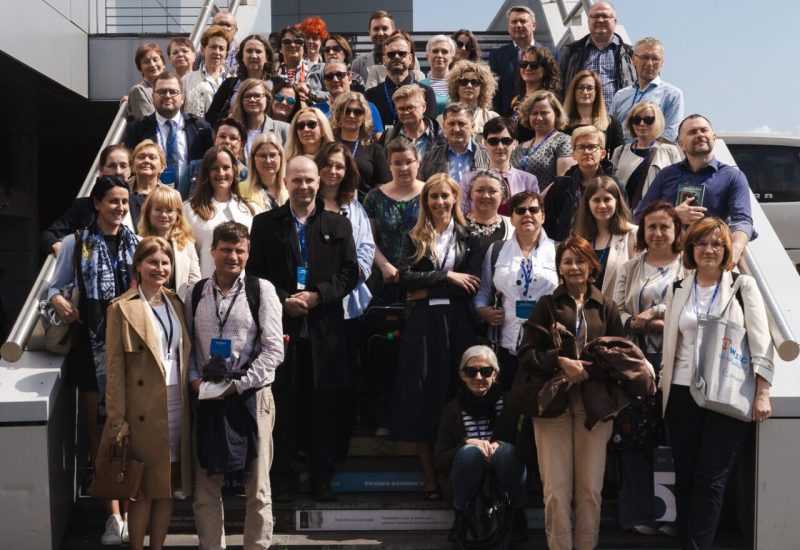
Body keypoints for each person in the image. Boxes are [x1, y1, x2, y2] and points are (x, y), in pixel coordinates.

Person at [247, 156, 358, 502]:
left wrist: (318, 296)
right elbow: (255, 273)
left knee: (324, 407)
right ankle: (282, 477)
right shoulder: (264, 224)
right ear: (286, 182)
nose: (304, 186)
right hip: (281, 329)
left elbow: (350, 273)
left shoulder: (338, 224)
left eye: (309, 180)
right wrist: (282, 300)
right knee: (284, 405)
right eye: (296, 180)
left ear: (319, 182)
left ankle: (322, 477)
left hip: (325, 329)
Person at [660, 217, 773, 549]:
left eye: (716, 244)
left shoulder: (742, 286)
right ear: (690, 249)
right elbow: (671, 342)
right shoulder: (678, 288)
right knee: (684, 478)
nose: (709, 250)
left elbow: (761, 341)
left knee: (710, 479)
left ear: (726, 250)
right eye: (701, 243)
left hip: (726, 393)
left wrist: (763, 391)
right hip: (681, 392)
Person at [515, 236, 626, 550]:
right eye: (567, 261)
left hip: (595, 405)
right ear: (559, 268)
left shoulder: (607, 307)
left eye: (580, 260)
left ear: (592, 265)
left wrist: (588, 369)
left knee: (590, 489)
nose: (574, 267)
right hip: (552, 404)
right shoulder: (546, 305)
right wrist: (559, 361)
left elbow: (621, 359)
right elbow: (526, 354)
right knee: (556, 489)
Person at [46, 176, 139, 546]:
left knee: (130, 435)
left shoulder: (138, 244)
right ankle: (112, 517)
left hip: (131, 351)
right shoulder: (76, 243)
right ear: (97, 203)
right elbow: (53, 287)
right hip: (91, 350)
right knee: (100, 434)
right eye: (113, 201)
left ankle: (130, 514)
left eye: (125, 202)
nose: (120, 208)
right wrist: (57, 300)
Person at [185, 221, 285, 550]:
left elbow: (274, 351)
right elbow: (188, 348)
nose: (233, 256)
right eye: (226, 249)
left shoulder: (262, 290)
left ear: (248, 253)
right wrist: (194, 380)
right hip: (208, 396)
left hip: (252, 396)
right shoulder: (195, 292)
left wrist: (238, 385)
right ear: (212, 251)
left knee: (258, 488)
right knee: (205, 488)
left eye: (240, 250)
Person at [392, 173, 480, 501]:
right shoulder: (413, 236)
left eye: (445, 195)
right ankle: (429, 477)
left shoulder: (469, 235)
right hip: (424, 325)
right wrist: (447, 276)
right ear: (425, 201)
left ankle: (457, 474)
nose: (440, 202)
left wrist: (428, 289)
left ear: (455, 197)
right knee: (422, 396)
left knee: (457, 393)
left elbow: (472, 284)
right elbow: (404, 279)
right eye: (433, 196)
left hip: (458, 323)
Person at [100, 236, 192, 550]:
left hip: (177, 404)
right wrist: (117, 422)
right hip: (143, 409)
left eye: (165, 262)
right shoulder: (121, 308)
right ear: (138, 265)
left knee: (166, 487)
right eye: (152, 262)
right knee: (142, 489)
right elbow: (114, 371)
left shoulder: (176, 303)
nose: (160, 268)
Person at [612, 200, 685, 535]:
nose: (657, 233)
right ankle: (639, 513)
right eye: (651, 227)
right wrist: (639, 323)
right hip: (636, 364)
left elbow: (690, 310)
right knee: (634, 438)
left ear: (676, 230)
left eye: (664, 227)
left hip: (676, 363)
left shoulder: (688, 266)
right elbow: (617, 313)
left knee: (673, 438)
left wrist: (654, 315)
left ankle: (671, 516)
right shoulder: (630, 267)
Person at [434, 345, 528, 542]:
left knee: (507, 452)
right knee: (470, 453)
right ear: (462, 375)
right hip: (466, 474)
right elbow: (440, 461)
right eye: (471, 371)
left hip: (503, 472)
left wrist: (501, 444)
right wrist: (466, 444)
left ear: (495, 374)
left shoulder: (511, 403)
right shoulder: (452, 410)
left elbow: (529, 450)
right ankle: (461, 516)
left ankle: (517, 512)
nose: (478, 377)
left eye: (485, 371)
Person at [634, 114, 755, 265]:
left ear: (714, 138)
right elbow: (640, 215)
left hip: (708, 260)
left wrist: (736, 249)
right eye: (692, 132)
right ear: (681, 144)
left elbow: (742, 221)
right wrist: (672, 215)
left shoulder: (733, 177)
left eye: (704, 130)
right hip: (667, 260)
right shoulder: (666, 174)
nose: (700, 135)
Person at [474, 191, 558, 389]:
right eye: (520, 210)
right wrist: (482, 310)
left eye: (533, 210)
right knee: (510, 398)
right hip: (507, 341)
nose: (527, 214)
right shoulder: (496, 250)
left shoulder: (558, 250)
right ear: (511, 218)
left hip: (546, 343)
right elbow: (484, 289)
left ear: (543, 216)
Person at [124, 71, 214, 187]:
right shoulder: (137, 129)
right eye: (161, 92)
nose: (167, 96)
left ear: (182, 98)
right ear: (153, 97)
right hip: (151, 195)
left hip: (191, 195)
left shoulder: (201, 128)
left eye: (173, 92)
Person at [363, 137, 425, 304]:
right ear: (389, 165)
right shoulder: (374, 197)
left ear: (418, 162)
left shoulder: (430, 193)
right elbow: (368, 239)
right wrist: (384, 265)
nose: (403, 168)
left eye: (409, 162)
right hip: (385, 276)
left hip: (421, 277)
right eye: (397, 163)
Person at [40, 144, 132, 255]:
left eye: (123, 166)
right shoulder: (84, 206)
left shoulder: (141, 205)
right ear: (101, 170)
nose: (118, 171)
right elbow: (48, 236)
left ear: (130, 170)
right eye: (112, 165)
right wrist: (60, 247)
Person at [182, 146, 255, 277]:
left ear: (234, 170)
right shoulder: (189, 209)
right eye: (215, 168)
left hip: (243, 286)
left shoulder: (250, 209)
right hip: (204, 284)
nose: (221, 173)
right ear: (207, 172)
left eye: (226, 167)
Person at [542, 125, 616, 241]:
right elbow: (548, 223)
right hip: (569, 245)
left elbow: (621, 219)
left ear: (602, 153)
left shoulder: (614, 185)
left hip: (605, 244)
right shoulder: (561, 186)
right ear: (574, 155)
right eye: (581, 147)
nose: (586, 152)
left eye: (592, 147)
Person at [558, 1, 635, 109]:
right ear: (588, 21)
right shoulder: (571, 52)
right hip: (580, 117)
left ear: (615, 21)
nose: (600, 20)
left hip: (618, 117)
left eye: (605, 16)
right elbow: (558, 87)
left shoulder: (629, 53)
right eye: (595, 16)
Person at [573, 176, 638, 300]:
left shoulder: (633, 235)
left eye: (607, 199)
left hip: (618, 309)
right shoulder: (579, 239)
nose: (602, 205)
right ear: (588, 203)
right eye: (596, 200)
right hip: (585, 309)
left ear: (617, 201)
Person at [610, 37, 684, 143]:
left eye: (655, 58)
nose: (649, 63)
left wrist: (643, 151)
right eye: (644, 57)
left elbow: (670, 134)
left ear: (662, 62)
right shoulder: (620, 96)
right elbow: (611, 131)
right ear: (633, 60)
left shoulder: (672, 95)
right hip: (622, 153)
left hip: (656, 153)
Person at [611, 101, 683, 209]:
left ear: (657, 121)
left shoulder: (670, 151)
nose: (642, 124)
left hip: (657, 213)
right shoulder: (620, 151)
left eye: (648, 120)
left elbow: (679, 185)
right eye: (636, 120)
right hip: (624, 213)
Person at [460, 116, 539, 215]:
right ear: (485, 144)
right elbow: (462, 216)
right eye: (493, 141)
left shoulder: (529, 181)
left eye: (506, 141)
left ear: (514, 144)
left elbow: (534, 215)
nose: (500, 146)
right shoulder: (468, 180)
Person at [364, 31, 438, 128]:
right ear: (384, 60)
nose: (396, 57)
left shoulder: (426, 93)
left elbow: (430, 128)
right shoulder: (371, 95)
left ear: (410, 59)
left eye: (402, 53)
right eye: (391, 54)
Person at [137, 187, 201, 298]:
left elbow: (195, 280)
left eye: (169, 210)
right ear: (148, 213)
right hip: (145, 304)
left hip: (179, 305)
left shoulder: (187, 244)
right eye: (158, 209)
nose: (164, 215)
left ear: (177, 214)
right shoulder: (138, 242)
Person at [490, 5, 552, 117]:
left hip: (542, 117)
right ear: (508, 28)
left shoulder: (551, 53)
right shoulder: (497, 56)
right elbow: (495, 94)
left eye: (523, 21)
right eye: (514, 22)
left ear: (534, 25)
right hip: (509, 120)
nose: (518, 25)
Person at [510, 90, 575, 189]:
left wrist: (538, 197)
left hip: (547, 198)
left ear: (556, 114)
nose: (539, 118)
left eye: (544, 113)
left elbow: (563, 181)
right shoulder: (519, 147)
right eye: (534, 113)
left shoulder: (564, 142)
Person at [206, 34, 275, 126]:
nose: (253, 55)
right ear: (242, 56)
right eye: (249, 51)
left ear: (267, 57)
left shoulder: (277, 85)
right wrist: (230, 117)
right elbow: (210, 116)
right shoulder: (230, 84)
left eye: (258, 51)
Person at [329, 91, 391, 194]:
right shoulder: (327, 145)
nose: (351, 115)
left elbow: (383, 185)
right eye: (346, 111)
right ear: (338, 115)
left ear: (364, 117)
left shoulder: (375, 150)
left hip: (364, 203)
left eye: (358, 112)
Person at [178, 117, 249, 200]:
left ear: (242, 144)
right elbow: (179, 201)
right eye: (222, 136)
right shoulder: (195, 168)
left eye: (233, 138)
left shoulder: (246, 175)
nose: (226, 141)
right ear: (215, 139)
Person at [419, 102, 489, 182]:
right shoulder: (430, 158)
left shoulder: (487, 155)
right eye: (451, 124)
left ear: (472, 127)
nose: (456, 129)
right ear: (444, 127)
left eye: (461, 124)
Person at [563, 70, 624, 158]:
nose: (585, 92)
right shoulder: (563, 124)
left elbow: (618, 157)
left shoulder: (612, 124)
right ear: (573, 91)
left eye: (589, 88)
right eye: (580, 88)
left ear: (597, 92)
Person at [315, 60, 384, 136]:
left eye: (339, 75)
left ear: (350, 78)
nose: (335, 80)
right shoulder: (316, 110)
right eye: (329, 77)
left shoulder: (368, 107)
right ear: (324, 82)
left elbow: (379, 138)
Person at [229, 78, 291, 161]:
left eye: (257, 96)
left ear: (267, 99)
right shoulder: (232, 129)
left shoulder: (285, 129)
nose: (252, 99)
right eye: (247, 96)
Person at [511, 45, 562, 140]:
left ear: (545, 70)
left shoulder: (548, 101)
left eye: (534, 65)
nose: (528, 68)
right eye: (524, 64)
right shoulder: (517, 99)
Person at [378, 84, 442, 159]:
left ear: (423, 107)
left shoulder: (440, 136)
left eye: (410, 108)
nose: (406, 112)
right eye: (401, 109)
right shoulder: (388, 138)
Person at [182, 25, 232, 119]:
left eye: (221, 48)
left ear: (226, 53)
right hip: (197, 128)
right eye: (213, 47)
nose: (217, 52)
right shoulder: (186, 80)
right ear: (202, 50)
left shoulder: (233, 81)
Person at [443, 60, 499, 141]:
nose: (469, 86)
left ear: (482, 87)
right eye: (463, 82)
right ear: (456, 86)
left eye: (474, 82)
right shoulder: (442, 119)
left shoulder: (492, 118)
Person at [464, 170, 513, 260]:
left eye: (492, 191)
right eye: (480, 190)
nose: (486, 196)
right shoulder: (456, 223)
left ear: (502, 195)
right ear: (470, 194)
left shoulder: (512, 226)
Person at [275, 26, 325, 104]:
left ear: (303, 48)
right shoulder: (273, 73)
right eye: (287, 42)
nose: (293, 45)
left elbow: (335, 95)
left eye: (298, 41)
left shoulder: (319, 69)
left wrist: (310, 92)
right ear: (280, 49)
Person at [239, 133, 288, 212]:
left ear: (281, 157)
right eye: (262, 156)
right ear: (253, 159)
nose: (268, 161)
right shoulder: (241, 189)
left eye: (273, 155)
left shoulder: (290, 189)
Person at [128, 139, 169, 228]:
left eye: (152, 157)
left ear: (162, 167)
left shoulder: (170, 195)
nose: (146, 160)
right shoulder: (122, 190)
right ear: (132, 166)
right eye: (141, 157)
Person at [351, 10, 395, 81]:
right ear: (370, 32)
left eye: (384, 28)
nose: (380, 33)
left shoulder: (406, 60)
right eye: (376, 29)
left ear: (393, 31)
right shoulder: (358, 64)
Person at [126, 43, 165, 122]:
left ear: (163, 63)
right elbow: (149, 124)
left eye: (155, 59)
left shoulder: (172, 87)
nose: (152, 65)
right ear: (140, 68)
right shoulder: (139, 91)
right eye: (146, 62)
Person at [421, 35, 455, 113]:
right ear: (427, 56)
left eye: (444, 52)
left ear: (452, 58)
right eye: (435, 51)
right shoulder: (419, 86)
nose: (439, 55)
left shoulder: (461, 84)